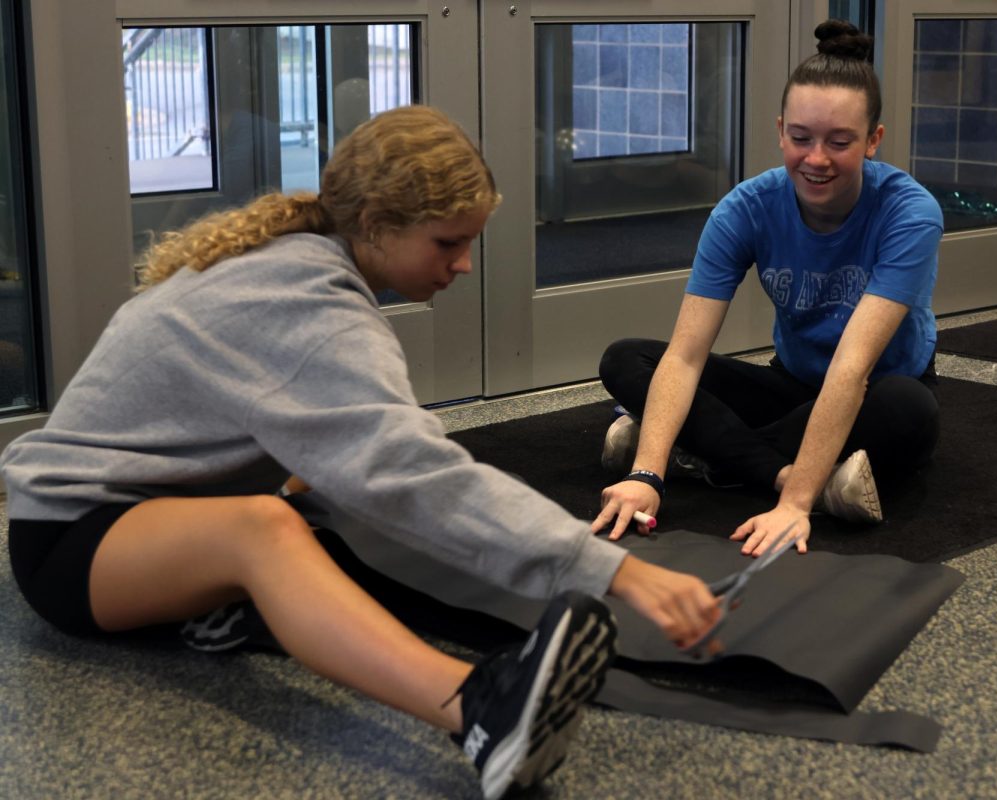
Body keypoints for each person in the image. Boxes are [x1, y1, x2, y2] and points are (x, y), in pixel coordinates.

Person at [0, 105, 719, 800]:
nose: (463, 265)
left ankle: (212, 606)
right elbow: (415, 477)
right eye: (446, 243)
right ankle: (478, 714)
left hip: (152, 510)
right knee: (271, 530)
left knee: (327, 489)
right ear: (375, 225)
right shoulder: (309, 307)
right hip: (69, 541)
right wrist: (609, 571)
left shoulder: (296, 258)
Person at [591, 20, 943, 558]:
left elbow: (851, 369)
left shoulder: (910, 213)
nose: (816, 159)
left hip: (874, 387)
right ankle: (779, 470)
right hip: (792, 385)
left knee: (909, 410)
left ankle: (706, 451)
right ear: (781, 130)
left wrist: (795, 505)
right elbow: (686, 356)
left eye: (840, 142)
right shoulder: (745, 208)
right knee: (626, 360)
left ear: (874, 140)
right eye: (801, 138)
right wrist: (647, 475)